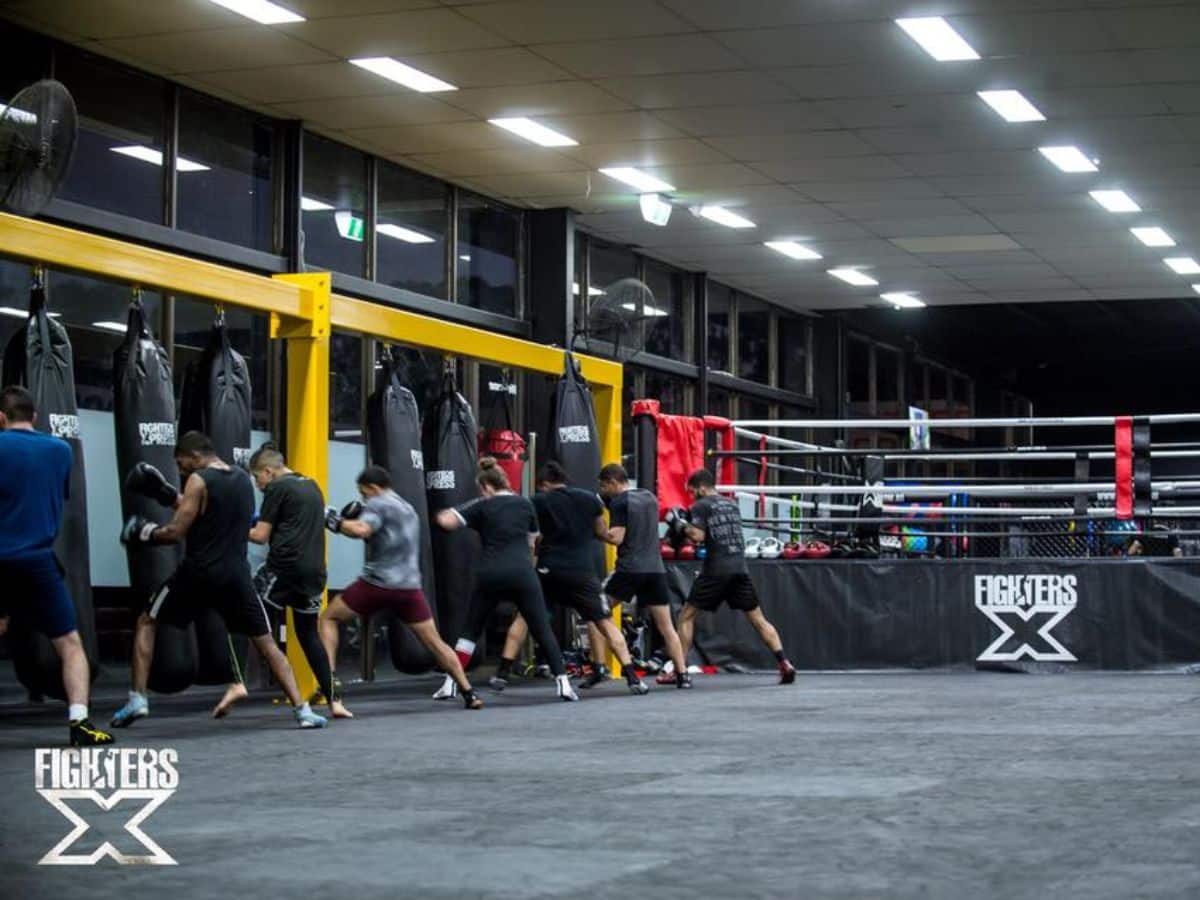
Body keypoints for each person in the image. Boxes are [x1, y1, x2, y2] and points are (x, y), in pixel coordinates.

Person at [111, 431, 327, 729]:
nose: (181, 467)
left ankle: (138, 698)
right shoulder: (241, 479)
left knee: (147, 621)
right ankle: (302, 711)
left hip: (197, 573)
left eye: (181, 461)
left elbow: (176, 532)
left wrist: (144, 533)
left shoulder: (199, 480)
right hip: (236, 577)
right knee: (266, 643)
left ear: (195, 455)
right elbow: (207, 511)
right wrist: (167, 494)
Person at [0, 385, 113, 747]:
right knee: (69, 643)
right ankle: (79, 723)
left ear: (1, 418)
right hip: (38, 562)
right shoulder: (60, 450)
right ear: (33, 416)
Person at [321, 465, 483, 711]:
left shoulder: (378, 503)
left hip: (377, 583)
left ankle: (330, 687)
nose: (364, 498)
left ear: (374, 488)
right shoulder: (408, 509)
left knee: (329, 619)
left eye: (364, 493)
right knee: (436, 643)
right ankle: (469, 693)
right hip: (409, 589)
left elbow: (362, 529)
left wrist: (332, 520)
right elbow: (385, 538)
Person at [493, 461, 647, 694]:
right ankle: (633, 677)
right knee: (604, 621)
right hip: (582, 571)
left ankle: (502, 673)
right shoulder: (590, 499)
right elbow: (600, 531)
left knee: (524, 617)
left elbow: (534, 538)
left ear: (544, 484)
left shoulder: (537, 501)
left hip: (549, 569)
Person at [433, 458, 579, 702]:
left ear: (486, 487)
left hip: (490, 573)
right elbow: (534, 541)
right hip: (521, 572)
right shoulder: (525, 504)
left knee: (470, 631)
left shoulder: (483, 505)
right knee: (541, 627)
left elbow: (445, 521)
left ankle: (451, 684)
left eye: (482, 489)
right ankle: (564, 684)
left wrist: (465, 506)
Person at [248, 442, 350, 719]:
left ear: (268, 472)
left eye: (257, 477)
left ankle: (237, 684)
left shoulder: (277, 488)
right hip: (314, 574)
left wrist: (232, 524)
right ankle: (335, 701)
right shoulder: (312, 486)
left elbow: (260, 536)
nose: (257, 484)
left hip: (283, 572)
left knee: (249, 620)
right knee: (308, 636)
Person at [669, 468, 796, 686]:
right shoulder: (731, 505)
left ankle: (680, 671)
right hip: (739, 567)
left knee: (685, 616)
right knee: (758, 619)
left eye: (692, 492)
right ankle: (784, 663)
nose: (691, 497)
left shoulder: (701, 505)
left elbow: (698, 536)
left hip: (716, 568)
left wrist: (679, 524)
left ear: (700, 488)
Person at [596, 463, 690, 688]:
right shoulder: (648, 497)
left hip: (629, 569)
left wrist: (597, 530)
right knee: (667, 626)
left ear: (612, 482)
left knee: (595, 608)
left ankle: (599, 667)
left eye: (603, 486)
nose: (602, 491)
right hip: (655, 570)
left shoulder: (619, 502)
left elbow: (616, 537)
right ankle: (683, 675)